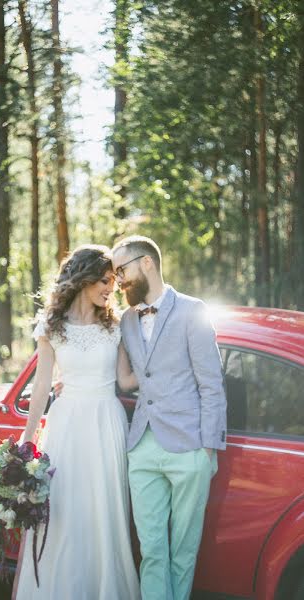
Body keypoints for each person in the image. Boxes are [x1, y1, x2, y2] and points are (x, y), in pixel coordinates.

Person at [12, 245, 140, 600]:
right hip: (66, 424)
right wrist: (27, 442)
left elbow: (126, 381)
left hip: (106, 422)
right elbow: (41, 387)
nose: (110, 289)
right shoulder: (51, 326)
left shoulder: (115, 325)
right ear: (83, 279)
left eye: (113, 282)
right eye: (103, 280)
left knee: (104, 514)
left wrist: (168, 369)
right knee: (64, 511)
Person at [112, 235, 227, 600]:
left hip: (189, 448)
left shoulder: (193, 310)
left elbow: (211, 385)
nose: (118, 280)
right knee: (152, 551)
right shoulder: (126, 320)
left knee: (183, 552)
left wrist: (207, 450)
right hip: (142, 449)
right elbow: (126, 378)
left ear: (147, 262)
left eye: (122, 269)